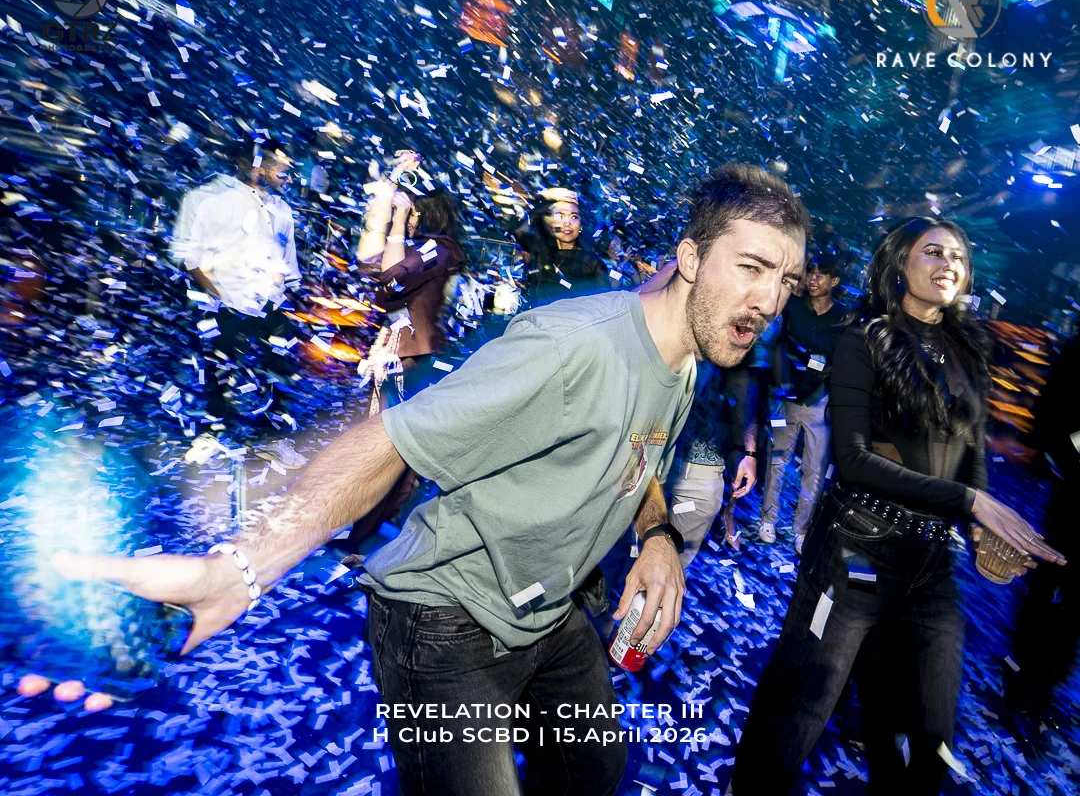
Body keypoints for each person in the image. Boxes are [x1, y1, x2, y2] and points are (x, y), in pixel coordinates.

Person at [19, 164, 811, 796]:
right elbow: (390, 441)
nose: (768, 300)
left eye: (785, 278)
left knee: (594, 772)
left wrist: (657, 533)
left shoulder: (688, 351)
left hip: (551, 613)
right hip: (444, 623)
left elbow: (639, 454)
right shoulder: (575, 346)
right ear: (689, 258)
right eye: (750, 268)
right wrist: (242, 566)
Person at [730, 217, 1066, 796]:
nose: (949, 263)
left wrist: (979, 522)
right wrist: (970, 500)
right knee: (804, 702)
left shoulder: (969, 352)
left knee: (930, 733)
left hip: (931, 566)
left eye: (958, 255)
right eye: (933, 251)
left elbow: (970, 450)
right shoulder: (863, 340)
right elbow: (854, 460)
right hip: (854, 550)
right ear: (900, 264)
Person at [346, 151, 466, 547]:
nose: (407, 216)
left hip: (414, 354)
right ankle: (365, 527)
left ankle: (371, 531)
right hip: (397, 349)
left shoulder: (441, 248)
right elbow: (370, 265)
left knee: (389, 443)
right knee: (380, 440)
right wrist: (387, 205)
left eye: (412, 210)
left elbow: (391, 277)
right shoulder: (423, 247)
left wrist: (397, 223)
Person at [170, 138, 306, 470]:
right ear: (251, 164)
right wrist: (219, 295)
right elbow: (189, 257)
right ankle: (213, 435)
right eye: (280, 168)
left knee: (277, 373)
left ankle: (272, 440)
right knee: (220, 372)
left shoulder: (282, 209)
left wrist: (280, 292)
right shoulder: (213, 201)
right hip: (224, 306)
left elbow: (287, 264)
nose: (288, 176)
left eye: (288, 169)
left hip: (269, 307)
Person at [1004, 331, 1080, 735]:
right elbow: (1055, 402)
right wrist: (1062, 451)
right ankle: (1024, 679)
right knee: (1052, 577)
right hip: (1074, 491)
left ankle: (1045, 682)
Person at [759, 253, 848, 553]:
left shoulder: (842, 318)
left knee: (814, 468)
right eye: (811, 272)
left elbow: (842, 360)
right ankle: (768, 520)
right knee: (777, 458)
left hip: (819, 402)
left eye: (821, 274)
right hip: (787, 396)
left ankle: (801, 530)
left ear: (834, 281)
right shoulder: (794, 307)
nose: (813, 278)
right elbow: (779, 345)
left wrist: (826, 375)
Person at [667, 361, 758, 561]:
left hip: (701, 465)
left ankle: (729, 515)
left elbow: (746, 395)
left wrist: (750, 453)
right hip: (650, 454)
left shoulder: (737, 357)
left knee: (675, 557)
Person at [514, 187, 609, 306]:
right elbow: (520, 231)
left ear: (580, 225)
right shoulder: (543, 251)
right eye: (560, 216)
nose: (567, 223)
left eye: (574, 217)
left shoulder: (591, 262)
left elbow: (605, 302)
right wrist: (544, 198)